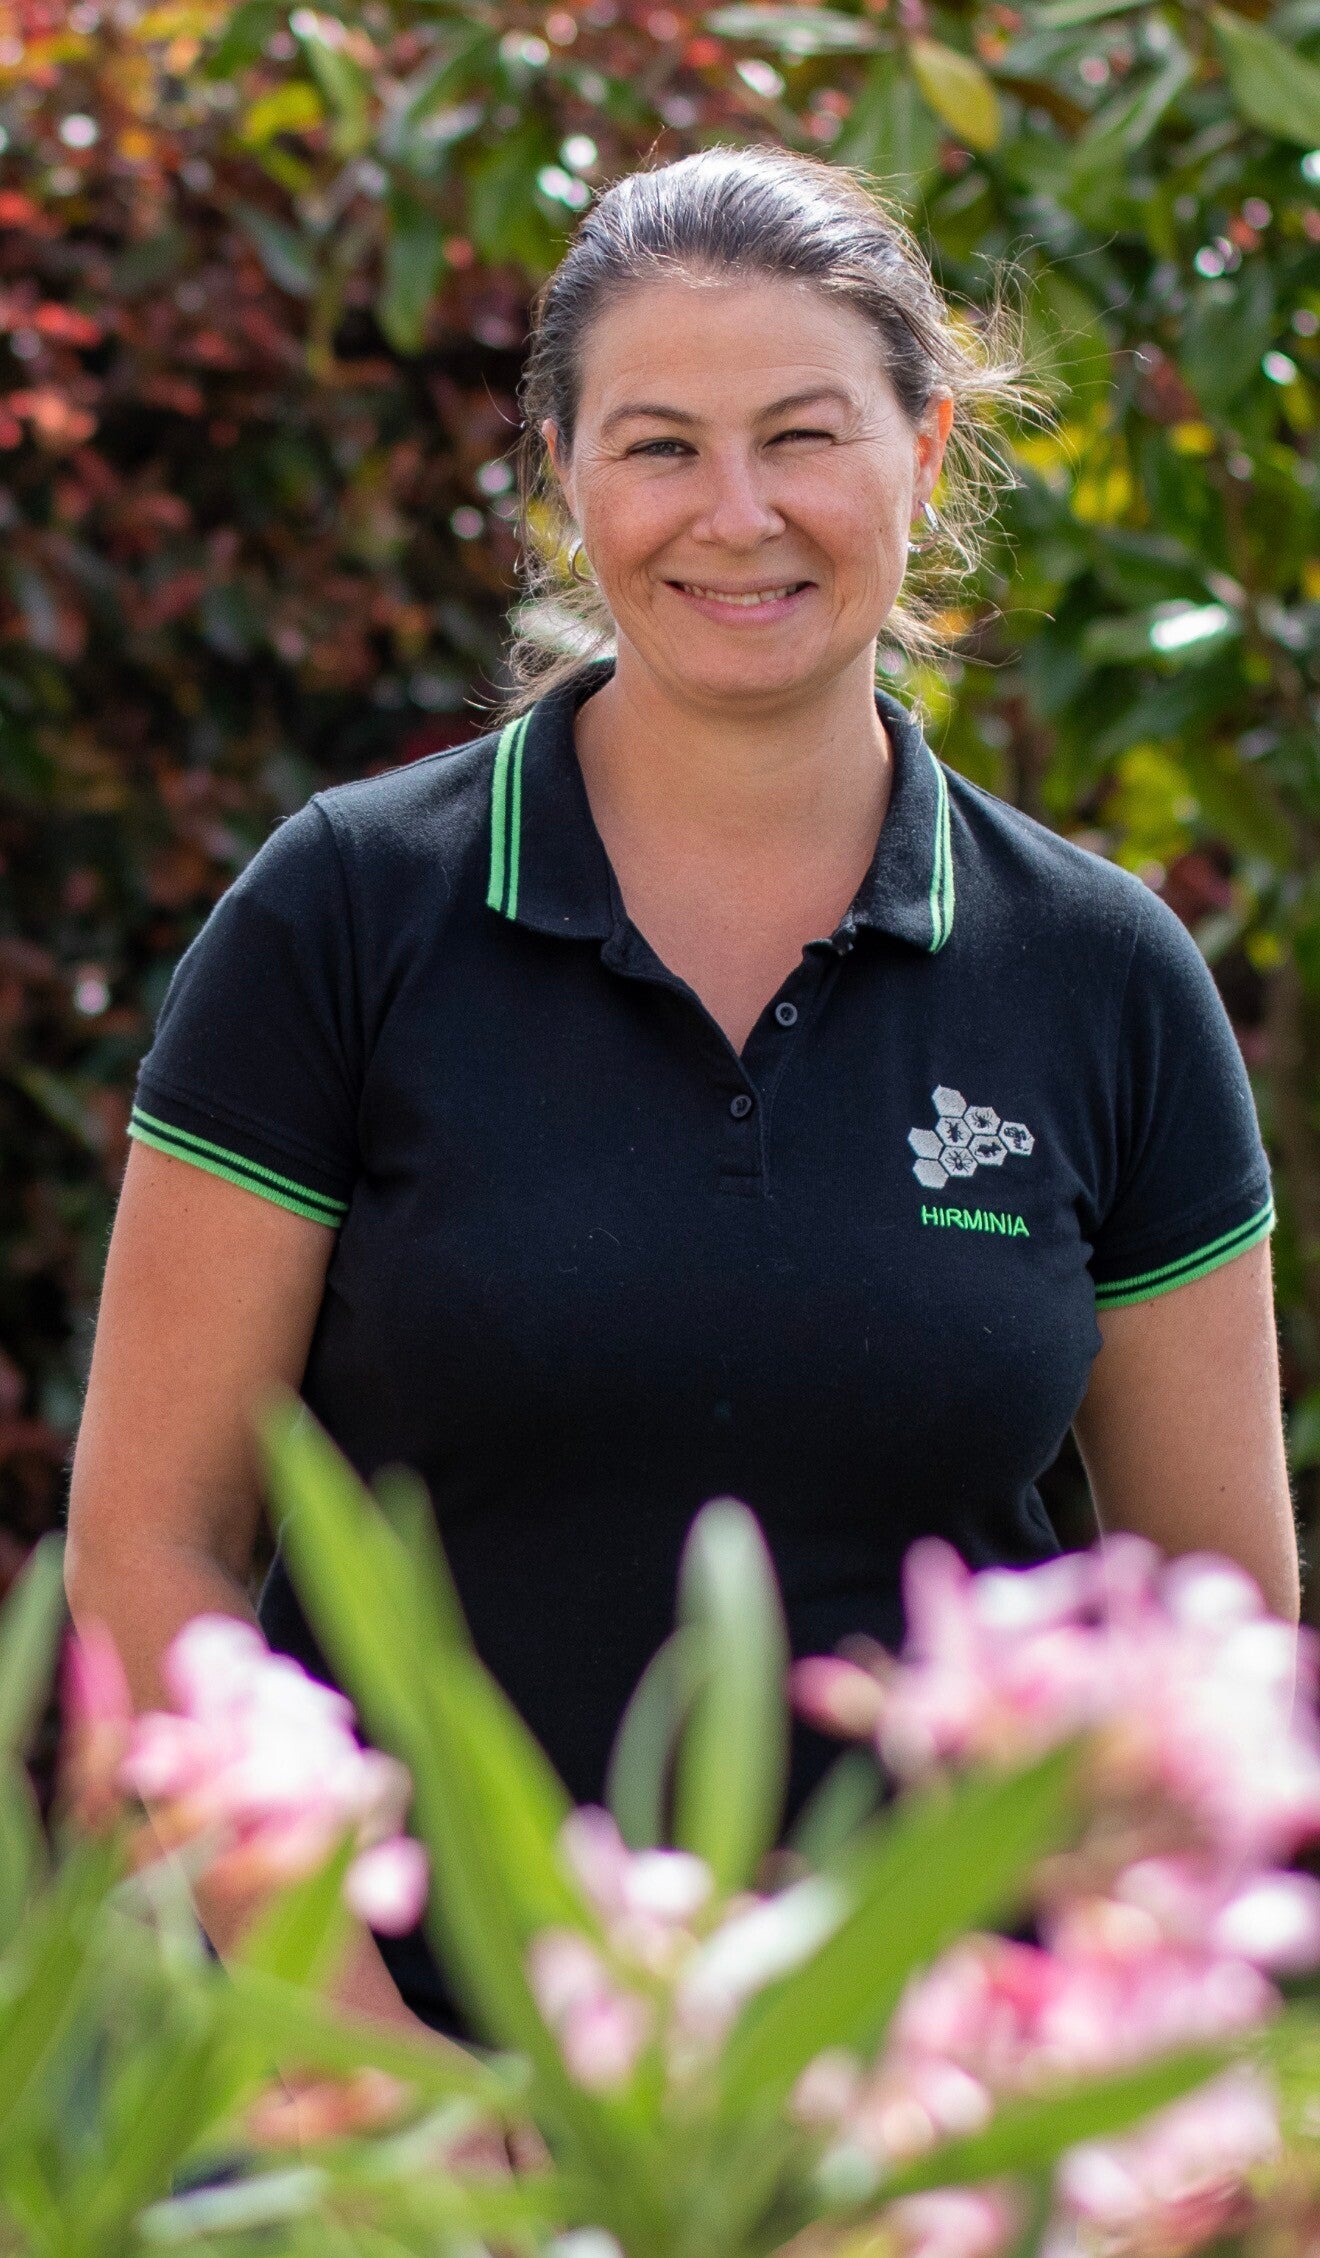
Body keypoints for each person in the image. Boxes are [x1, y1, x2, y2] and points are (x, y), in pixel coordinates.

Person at [65, 147, 1298, 2046]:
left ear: (925, 449)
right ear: (564, 471)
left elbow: (1213, 1623)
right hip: (415, 2098)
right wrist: (369, 2076)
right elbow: (153, 1543)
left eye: (804, 435)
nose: (738, 515)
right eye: (659, 447)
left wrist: (1056, 2081)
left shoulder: (1103, 974)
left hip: (937, 2118)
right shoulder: (344, 917)